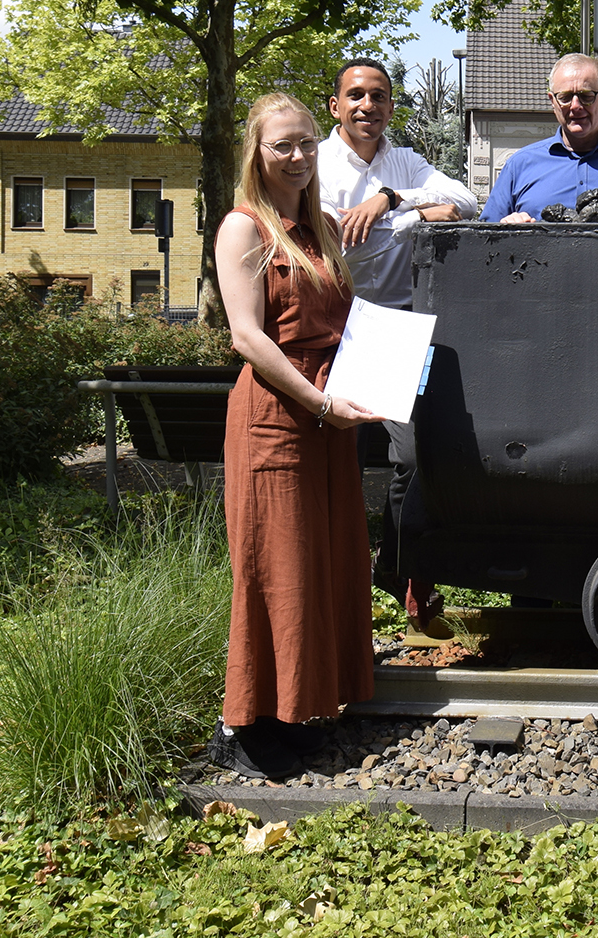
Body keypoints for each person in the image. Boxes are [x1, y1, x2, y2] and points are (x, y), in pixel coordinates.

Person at [210, 91, 384, 780]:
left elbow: (348, 325)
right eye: (283, 143)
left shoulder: (323, 229)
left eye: (308, 141)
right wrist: (318, 402)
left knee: (318, 568)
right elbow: (247, 336)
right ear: (256, 152)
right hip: (280, 419)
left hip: (326, 417)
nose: (298, 155)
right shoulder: (243, 228)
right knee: (271, 571)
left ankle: (290, 713)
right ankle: (242, 724)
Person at [317, 58, 477, 641]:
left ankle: (398, 569)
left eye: (379, 96)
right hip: (337, 330)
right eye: (356, 96)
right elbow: (327, 238)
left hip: (394, 331)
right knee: (343, 465)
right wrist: (415, 217)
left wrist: (390, 199)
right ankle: (336, 594)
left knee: (413, 460)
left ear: (390, 106)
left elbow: (463, 199)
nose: (368, 106)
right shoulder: (315, 164)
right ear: (335, 106)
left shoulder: (402, 160)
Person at [484, 53, 598, 222]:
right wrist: (507, 230)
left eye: (586, 96)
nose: (575, 106)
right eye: (565, 97)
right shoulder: (519, 167)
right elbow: (485, 241)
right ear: (553, 102)